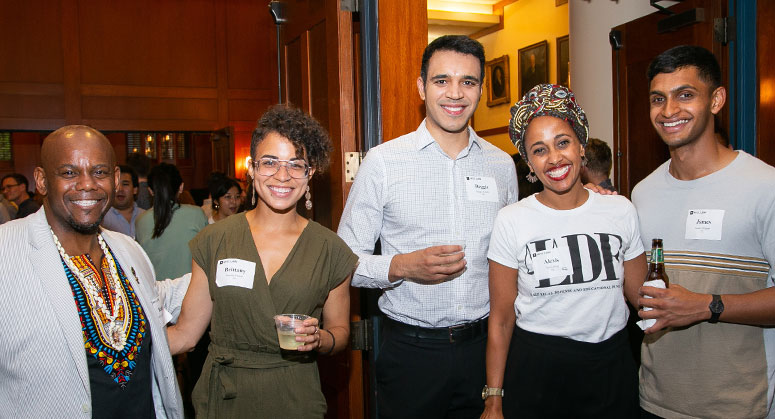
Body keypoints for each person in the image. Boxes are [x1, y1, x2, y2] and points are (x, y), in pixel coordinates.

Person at [338, 35, 518, 418]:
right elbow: (344, 260)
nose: (455, 93)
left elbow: (514, 258)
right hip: (411, 355)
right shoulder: (383, 162)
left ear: (481, 90)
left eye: (468, 82)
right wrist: (401, 266)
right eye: (441, 80)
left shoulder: (502, 166)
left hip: (484, 350)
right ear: (421, 87)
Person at [166, 105, 357, 417]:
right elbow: (186, 334)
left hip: (295, 397)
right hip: (225, 398)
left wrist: (320, 338)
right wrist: (125, 346)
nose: (282, 176)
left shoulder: (330, 250)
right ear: (252, 168)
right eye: (270, 162)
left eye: (296, 165)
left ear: (309, 174)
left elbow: (340, 333)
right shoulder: (214, 241)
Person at [482, 84, 646, 418]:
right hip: (539, 370)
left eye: (563, 142)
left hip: (611, 368)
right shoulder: (511, 220)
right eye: (539, 150)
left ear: (581, 146)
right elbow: (500, 320)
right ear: (528, 161)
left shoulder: (620, 210)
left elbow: (642, 297)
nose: (555, 158)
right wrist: (494, 399)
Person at [0, 125, 183, 417]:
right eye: (69, 173)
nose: (87, 185)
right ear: (42, 180)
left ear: (114, 179)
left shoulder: (127, 249)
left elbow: (155, 299)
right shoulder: (6, 251)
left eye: (99, 172)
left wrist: (222, 255)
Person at [635, 45, 775, 418]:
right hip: (655, 401)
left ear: (716, 100)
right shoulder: (641, 193)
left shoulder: (765, 186)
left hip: (739, 405)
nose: (668, 111)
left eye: (685, 95)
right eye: (657, 98)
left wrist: (707, 306)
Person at [135, 163, 208, 281]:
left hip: (156, 293)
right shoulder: (196, 214)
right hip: (190, 289)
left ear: (150, 191)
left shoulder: (141, 221)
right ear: (181, 187)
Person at [101, 164, 144, 238]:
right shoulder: (102, 219)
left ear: (135, 189)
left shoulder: (145, 216)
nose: (120, 189)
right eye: (116, 185)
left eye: (125, 184)